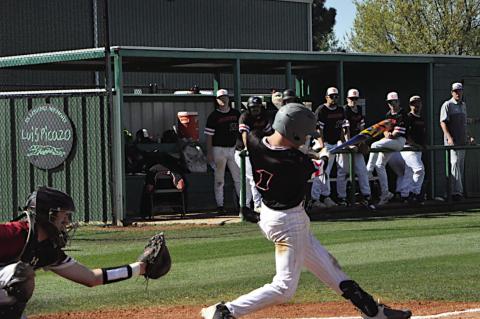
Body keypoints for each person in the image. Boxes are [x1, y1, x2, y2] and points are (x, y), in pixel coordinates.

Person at [200, 103, 412, 319]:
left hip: (270, 214)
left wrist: (314, 154)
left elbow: (291, 152)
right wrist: (324, 155)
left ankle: (373, 311)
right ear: (294, 132)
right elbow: (317, 167)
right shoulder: (294, 163)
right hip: (288, 223)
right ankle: (225, 311)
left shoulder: (255, 140)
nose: (306, 137)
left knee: (330, 268)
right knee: (284, 287)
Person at [0, 186, 170, 319]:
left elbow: (91, 278)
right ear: (48, 215)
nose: (67, 222)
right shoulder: (14, 235)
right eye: (64, 215)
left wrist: (140, 268)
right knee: (21, 275)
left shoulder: (47, 251)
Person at [366, 92, 409, 206]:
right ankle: (385, 194)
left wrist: (389, 134)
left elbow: (396, 133)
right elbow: (385, 130)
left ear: (398, 102)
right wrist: (387, 133)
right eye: (390, 102)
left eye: (394, 101)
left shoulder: (402, 114)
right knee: (379, 164)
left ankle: (368, 171)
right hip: (390, 141)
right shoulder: (388, 114)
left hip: (399, 142)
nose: (392, 104)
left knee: (374, 145)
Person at [311, 87, 349, 208]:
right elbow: (318, 129)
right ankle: (315, 199)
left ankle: (325, 196)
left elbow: (342, 129)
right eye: (332, 96)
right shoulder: (321, 110)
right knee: (321, 170)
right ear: (326, 97)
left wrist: (344, 143)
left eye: (336, 96)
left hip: (334, 142)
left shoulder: (341, 110)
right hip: (323, 143)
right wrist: (321, 144)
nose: (334, 98)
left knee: (326, 171)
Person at [234, 96, 274, 212]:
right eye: (253, 107)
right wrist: (248, 148)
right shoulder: (245, 116)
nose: (255, 109)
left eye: (257, 107)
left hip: (257, 151)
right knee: (254, 177)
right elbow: (244, 134)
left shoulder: (264, 116)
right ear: (249, 108)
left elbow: (269, 133)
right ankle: (257, 205)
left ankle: (244, 207)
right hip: (242, 152)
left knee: (247, 181)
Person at [205, 89, 241, 213]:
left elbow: (241, 132)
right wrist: (209, 153)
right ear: (217, 100)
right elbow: (209, 136)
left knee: (238, 177)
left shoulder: (236, 114)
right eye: (220, 98)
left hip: (233, 148)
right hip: (218, 149)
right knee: (219, 179)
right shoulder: (213, 116)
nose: (223, 100)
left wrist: (240, 144)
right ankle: (220, 205)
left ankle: (243, 204)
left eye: (225, 97)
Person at [341, 89, 376, 209]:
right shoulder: (345, 110)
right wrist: (349, 143)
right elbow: (345, 130)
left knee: (362, 170)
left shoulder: (359, 110)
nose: (353, 101)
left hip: (357, 142)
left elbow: (362, 128)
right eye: (351, 99)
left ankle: (366, 196)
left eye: (355, 99)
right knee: (343, 171)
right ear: (347, 99)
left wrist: (362, 142)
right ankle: (342, 198)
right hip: (345, 144)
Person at [439, 82, 467, 201]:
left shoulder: (463, 105)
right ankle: (456, 193)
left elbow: (464, 123)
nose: (458, 93)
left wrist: (468, 136)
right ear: (452, 92)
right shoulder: (447, 105)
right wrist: (449, 137)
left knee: (459, 166)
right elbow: (443, 122)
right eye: (455, 91)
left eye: (459, 91)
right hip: (452, 142)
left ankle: (455, 192)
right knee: (454, 164)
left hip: (462, 141)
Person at [402, 95, 426, 204]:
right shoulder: (408, 117)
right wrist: (415, 144)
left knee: (409, 172)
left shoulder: (421, 118)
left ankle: (405, 195)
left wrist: (421, 145)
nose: (416, 105)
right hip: (408, 148)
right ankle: (415, 193)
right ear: (410, 105)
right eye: (413, 103)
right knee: (419, 170)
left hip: (417, 149)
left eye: (418, 103)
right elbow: (406, 135)